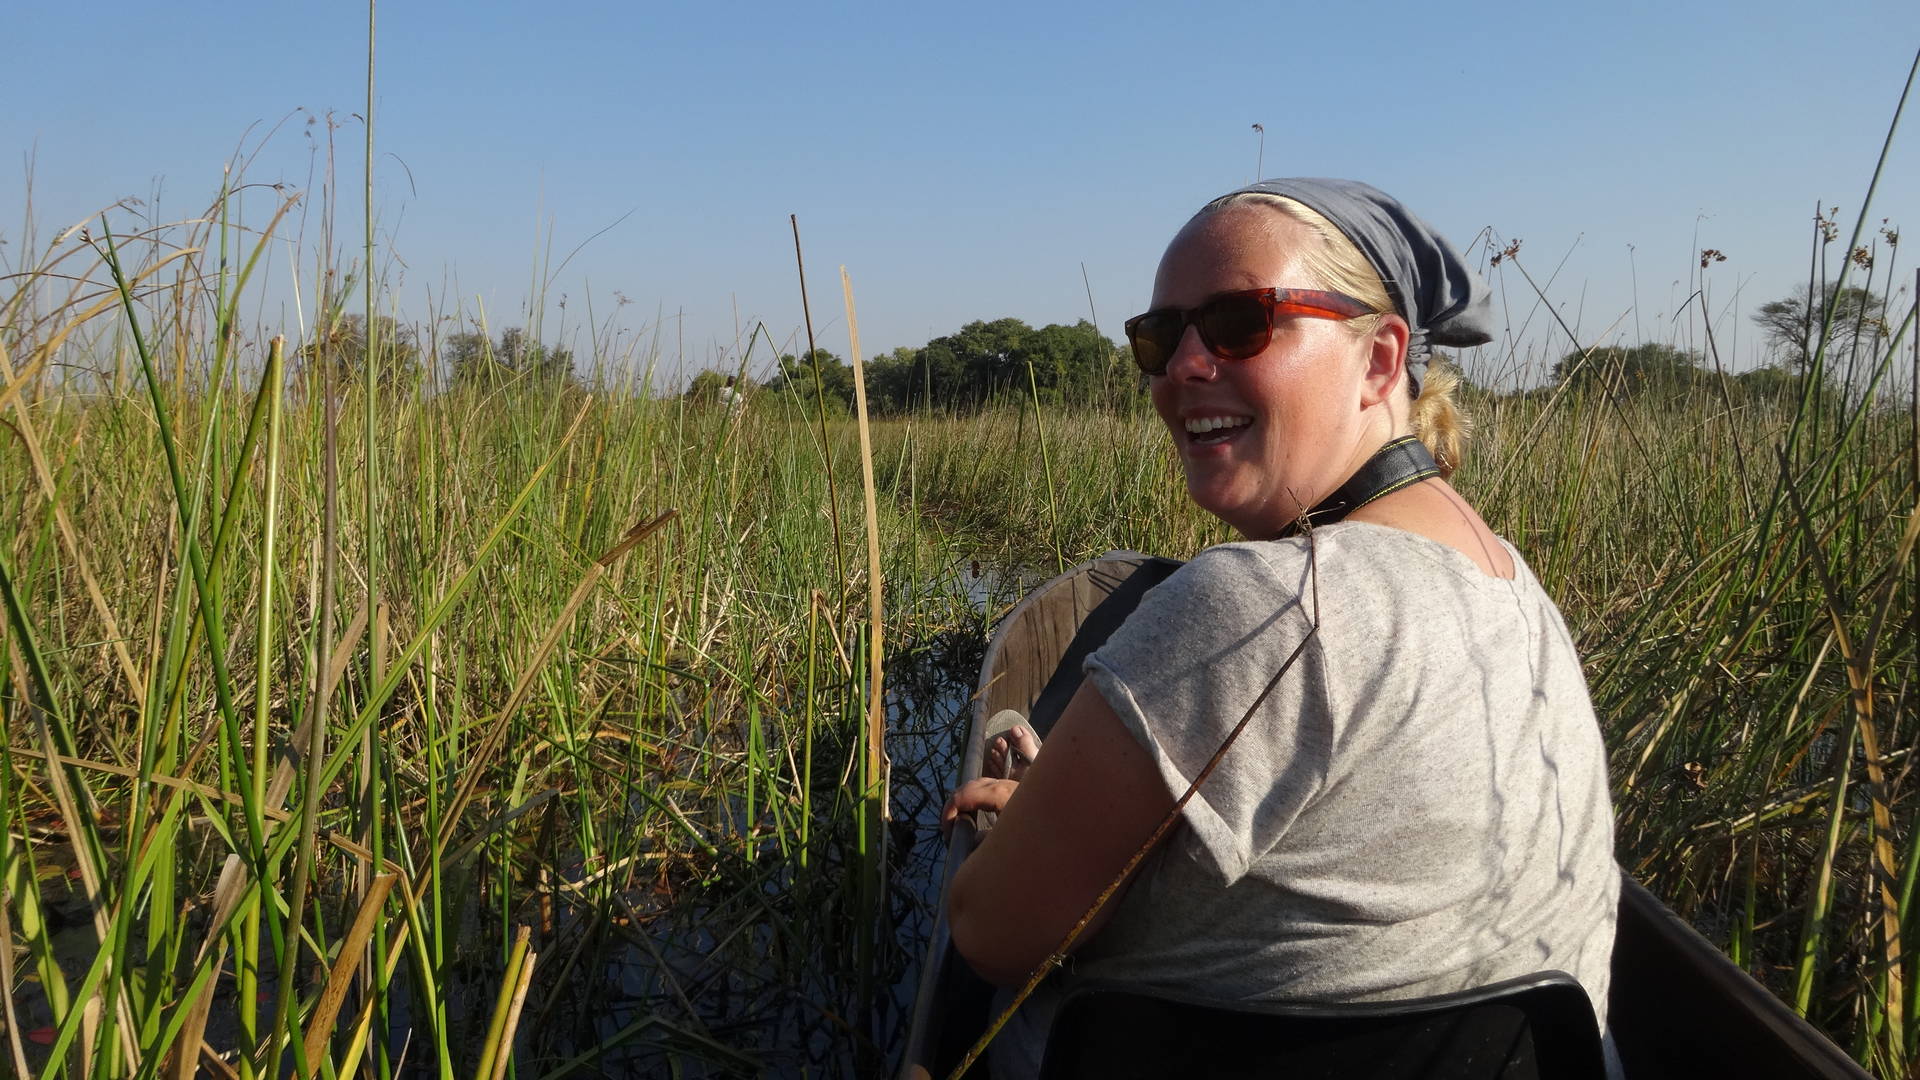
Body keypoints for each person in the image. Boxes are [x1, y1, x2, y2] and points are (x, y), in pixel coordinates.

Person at [941, 179, 1620, 1075]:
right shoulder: (1510, 579)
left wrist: (1036, 818)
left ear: (1381, 360)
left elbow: (992, 935)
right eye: (1159, 336)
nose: (1182, 365)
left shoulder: (1261, 602)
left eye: (1237, 324)